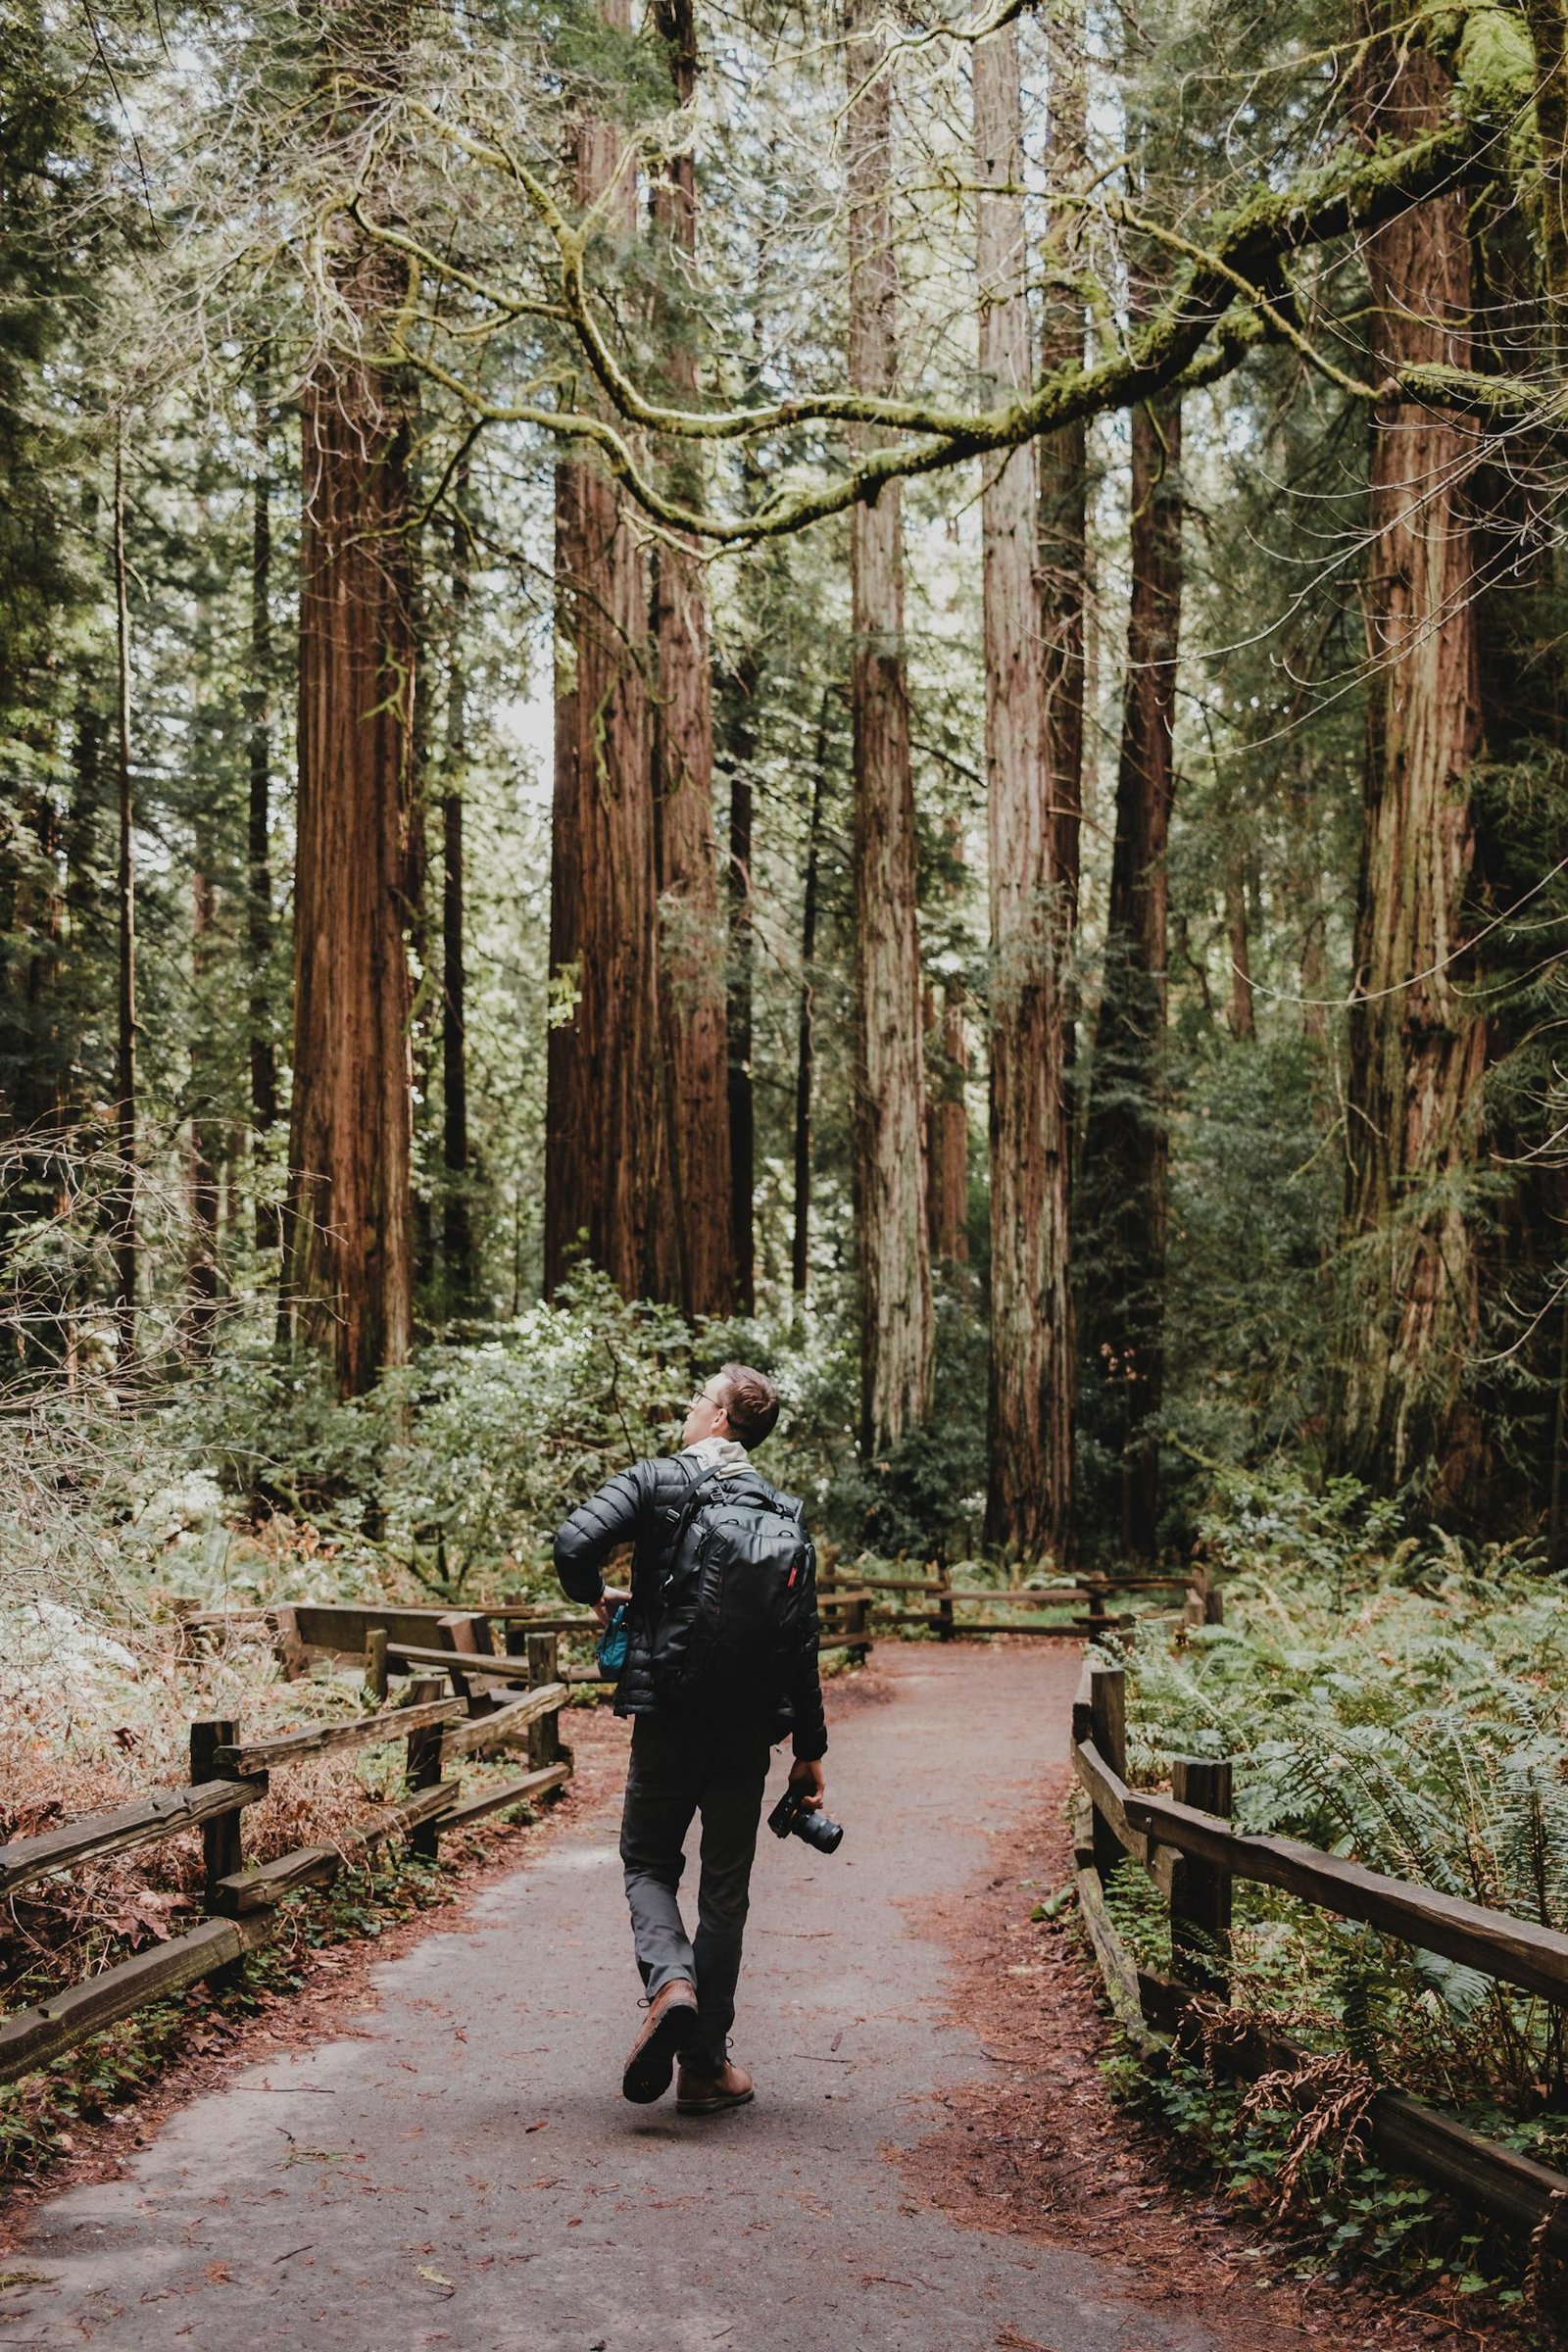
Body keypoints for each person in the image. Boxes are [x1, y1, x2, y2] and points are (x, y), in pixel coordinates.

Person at [553, 1361, 827, 2116]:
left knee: (647, 1860)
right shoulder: (786, 1513)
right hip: (748, 1734)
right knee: (726, 1895)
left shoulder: (657, 1482)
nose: (688, 1405)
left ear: (718, 1420)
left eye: (699, 1397)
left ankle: (670, 1980)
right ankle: (705, 2066)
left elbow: (573, 1545)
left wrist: (600, 1600)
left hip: (669, 1715)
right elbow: (801, 1643)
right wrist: (810, 1751)